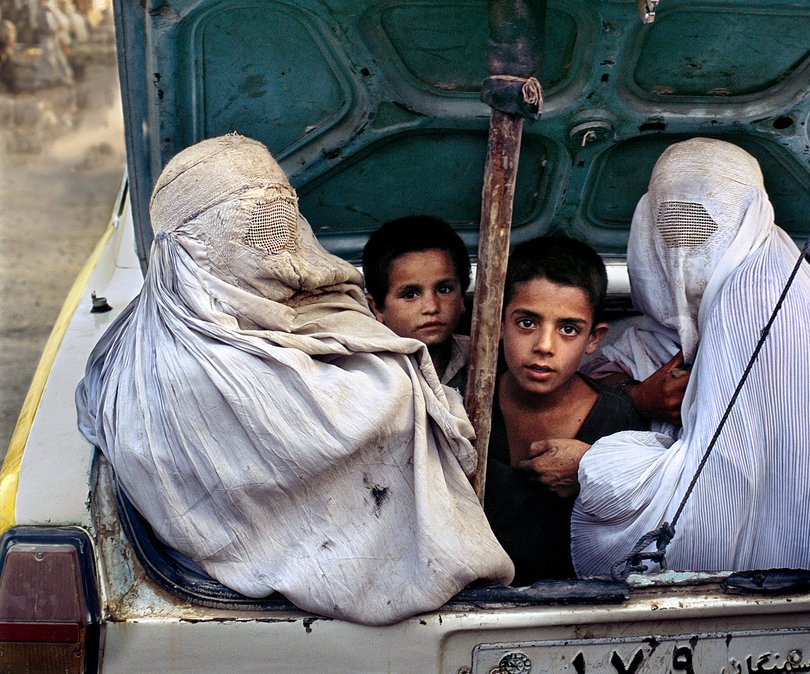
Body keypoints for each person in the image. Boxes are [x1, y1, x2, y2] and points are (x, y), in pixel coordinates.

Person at [75, 134, 514, 625]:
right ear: (194, 244)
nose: (278, 241)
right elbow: (365, 408)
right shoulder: (177, 365)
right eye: (257, 225)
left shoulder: (291, 294)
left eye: (284, 217)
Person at [572, 137, 810, 577]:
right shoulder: (680, 317)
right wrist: (635, 395)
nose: (685, 240)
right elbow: (611, 367)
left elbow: (718, 488)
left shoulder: (756, 299)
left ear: (750, 217)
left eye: (703, 221)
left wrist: (590, 463)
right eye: (670, 221)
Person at [483, 236, 645, 585]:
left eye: (568, 329)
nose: (544, 346)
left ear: (594, 339)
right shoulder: (468, 400)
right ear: (497, 323)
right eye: (527, 323)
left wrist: (592, 469)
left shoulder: (615, 418)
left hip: (574, 604)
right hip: (475, 598)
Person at [362, 216, 471, 390]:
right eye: (410, 295)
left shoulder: (483, 356)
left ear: (462, 298)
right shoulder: (363, 372)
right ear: (377, 308)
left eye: (444, 290)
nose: (431, 307)